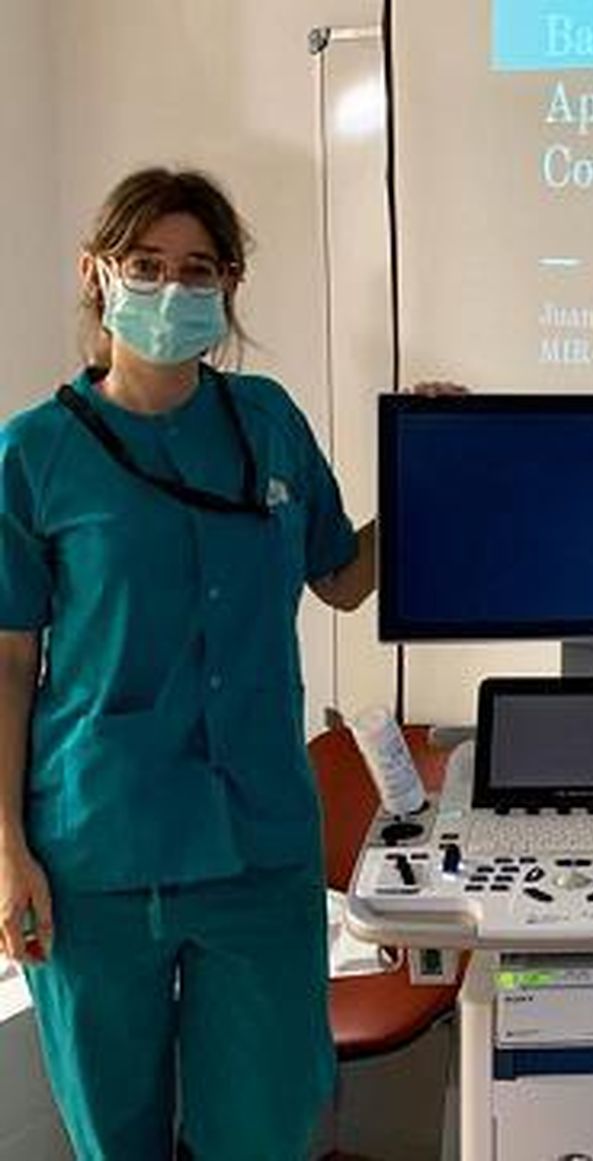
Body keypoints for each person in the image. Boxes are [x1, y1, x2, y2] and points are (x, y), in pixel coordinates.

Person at [0, 168, 378, 1159]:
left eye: (197, 269)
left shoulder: (266, 423)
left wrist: (437, 463)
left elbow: (341, 578)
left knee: (261, 1133)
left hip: (257, 846)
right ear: (97, 273)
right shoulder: (35, 455)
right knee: (115, 1140)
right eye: (146, 266)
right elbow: (6, 665)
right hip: (97, 855)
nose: (172, 291)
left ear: (230, 283)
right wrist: (5, 848)